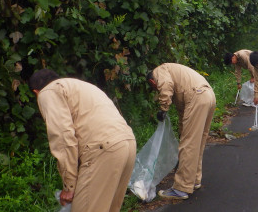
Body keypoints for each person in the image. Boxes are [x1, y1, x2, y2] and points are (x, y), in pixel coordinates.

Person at [29, 69, 136, 212]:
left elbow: (63, 136)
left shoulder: (48, 92)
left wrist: (69, 185)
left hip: (103, 148)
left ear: (36, 92)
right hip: (127, 143)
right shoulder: (81, 86)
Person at [146, 63, 216, 200]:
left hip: (197, 97)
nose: (157, 89)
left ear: (152, 81)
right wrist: (181, 130)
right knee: (198, 142)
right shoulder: (178, 75)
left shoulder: (159, 71)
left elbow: (165, 84)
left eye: (155, 88)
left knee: (188, 143)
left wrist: (163, 108)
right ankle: (194, 179)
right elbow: (183, 110)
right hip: (208, 96)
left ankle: (181, 188)